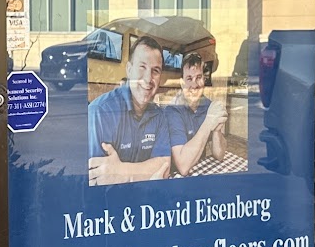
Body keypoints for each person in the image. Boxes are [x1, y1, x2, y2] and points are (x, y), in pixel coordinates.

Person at [87, 37, 180, 184]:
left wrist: (122, 172)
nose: (148, 78)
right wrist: (144, 171)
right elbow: (98, 178)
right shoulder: (100, 112)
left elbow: (164, 165)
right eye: (142, 67)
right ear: (129, 70)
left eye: (155, 71)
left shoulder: (159, 115)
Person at [167, 51, 228, 175]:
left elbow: (219, 155)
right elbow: (183, 167)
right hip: (176, 176)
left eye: (198, 78)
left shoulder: (208, 105)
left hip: (200, 169)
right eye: (189, 79)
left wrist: (217, 130)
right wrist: (209, 121)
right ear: (182, 83)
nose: (194, 85)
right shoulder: (173, 110)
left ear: (204, 80)